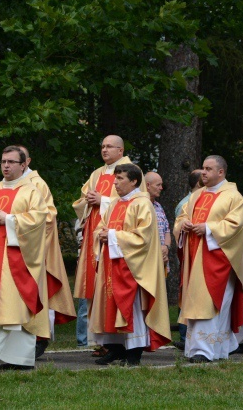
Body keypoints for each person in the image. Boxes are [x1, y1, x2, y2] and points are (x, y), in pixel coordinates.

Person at [173, 155, 243, 363]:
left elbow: (236, 226)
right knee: (198, 303)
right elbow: (182, 217)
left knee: (215, 304)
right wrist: (184, 225)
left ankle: (207, 350)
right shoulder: (197, 196)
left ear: (221, 172)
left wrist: (207, 228)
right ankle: (207, 349)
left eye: (208, 169)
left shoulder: (233, 197)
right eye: (203, 169)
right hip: (195, 257)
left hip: (219, 259)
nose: (203, 172)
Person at [0, 146, 49, 370]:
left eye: (11, 162)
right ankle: (20, 360)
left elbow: (39, 220)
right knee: (8, 307)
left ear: (23, 165)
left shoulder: (31, 191)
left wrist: (9, 219)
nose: (6, 165)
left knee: (13, 306)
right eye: (3, 161)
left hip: (18, 259)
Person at [90, 164, 171, 366]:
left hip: (132, 267)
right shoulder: (116, 203)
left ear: (134, 181)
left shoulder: (142, 204)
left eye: (120, 179)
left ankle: (134, 353)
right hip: (112, 263)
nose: (115, 183)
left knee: (131, 308)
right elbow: (102, 226)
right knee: (110, 306)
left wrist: (110, 235)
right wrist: (100, 234)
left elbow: (144, 237)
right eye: (115, 179)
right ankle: (116, 349)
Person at [72, 135, 146, 351]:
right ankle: (99, 342)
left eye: (109, 147)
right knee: (95, 287)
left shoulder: (132, 171)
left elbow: (136, 201)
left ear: (121, 150)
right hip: (97, 237)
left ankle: (117, 344)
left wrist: (102, 201)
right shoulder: (97, 173)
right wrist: (89, 201)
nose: (104, 150)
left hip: (117, 240)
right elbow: (82, 200)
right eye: (102, 146)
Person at [18, 145, 76, 359]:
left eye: (15, 160)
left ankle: (38, 338)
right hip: (11, 249)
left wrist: (19, 228)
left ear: (26, 161)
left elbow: (48, 217)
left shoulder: (37, 184)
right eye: (5, 161)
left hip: (33, 249)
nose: (7, 165)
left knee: (38, 292)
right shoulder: (4, 186)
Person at [172, 169, 203, 349]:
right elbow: (178, 227)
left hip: (197, 253)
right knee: (186, 293)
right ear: (198, 183)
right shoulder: (186, 203)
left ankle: (190, 336)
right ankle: (185, 336)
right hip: (189, 254)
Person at [145, 172, 171, 273]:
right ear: (147, 185)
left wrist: (166, 247)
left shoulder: (158, 206)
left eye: (161, 185)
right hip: (147, 261)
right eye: (158, 185)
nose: (161, 188)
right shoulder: (138, 205)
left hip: (161, 261)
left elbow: (167, 230)